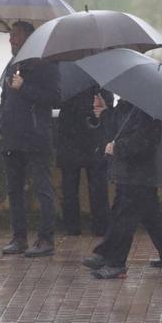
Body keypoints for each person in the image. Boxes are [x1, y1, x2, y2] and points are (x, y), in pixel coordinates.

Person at [82, 95, 162, 279]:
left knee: (124, 217)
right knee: (151, 217)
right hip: (131, 173)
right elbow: (119, 128)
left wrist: (117, 148)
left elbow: (145, 142)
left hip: (139, 174)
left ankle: (115, 262)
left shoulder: (147, 109)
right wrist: (104, 113)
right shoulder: (129, 104)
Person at [0, 21, 61, 257]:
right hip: (12, 135)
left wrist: (24, 87)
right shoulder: (12, 64)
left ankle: (46, 239)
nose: (11, 40)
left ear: (28, 39)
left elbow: (55, 98)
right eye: (11, 36)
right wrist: (1, 120)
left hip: (36, 136)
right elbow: (5, 96)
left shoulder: (46, 63)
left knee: (42, 188)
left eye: (16, 36)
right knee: (14, 190)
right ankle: (19, 237)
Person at [55, 84, 114, 236]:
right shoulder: (99, 73)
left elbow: (56, 100)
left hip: (72, 135)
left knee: (71, 185)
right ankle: (99, 226)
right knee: (96, 185)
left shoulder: (66, 76)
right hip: (91, 134)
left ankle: (72, 226)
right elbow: (108, 102)